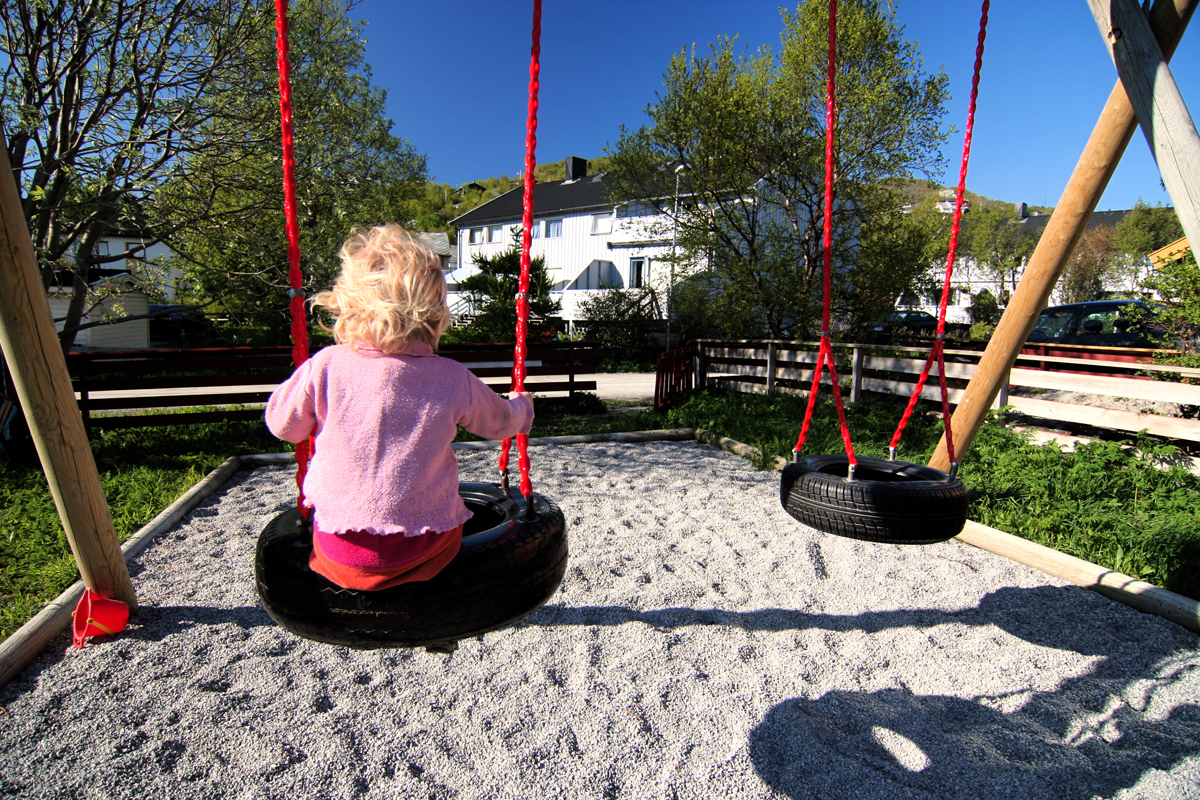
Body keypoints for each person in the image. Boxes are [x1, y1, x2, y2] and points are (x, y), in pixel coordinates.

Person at [265, 224, 533, 591]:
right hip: (425, 548)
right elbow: (500, 423)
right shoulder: (451, 377)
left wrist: (301, 387)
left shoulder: (325, 365)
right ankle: (438, 613)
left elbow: (284, 427)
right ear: (436, 312)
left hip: (338, 551)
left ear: (346, 301)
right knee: (463, 535)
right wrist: (522, 408)